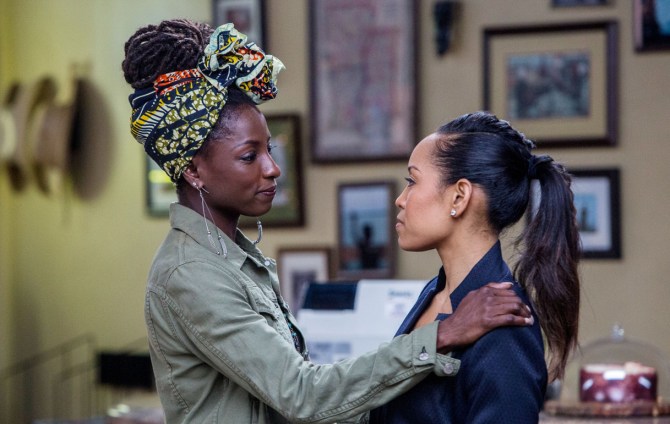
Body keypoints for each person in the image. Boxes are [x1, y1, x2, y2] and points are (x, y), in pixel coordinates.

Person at [122, 20, 534, 424]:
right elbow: (302, 395)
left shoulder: (235, 261)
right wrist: (442, 335)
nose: (273, 169)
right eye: (250, 156)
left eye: (269, 150)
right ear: (194, 170)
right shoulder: (191, 272)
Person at [369, 111, 581, 423]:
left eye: (412, 181)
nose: (401, 200)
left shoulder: (505, 325)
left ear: (459, 196)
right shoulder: (433, 293)